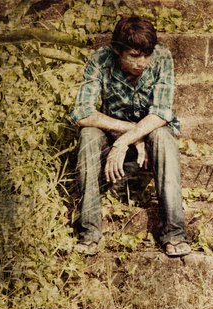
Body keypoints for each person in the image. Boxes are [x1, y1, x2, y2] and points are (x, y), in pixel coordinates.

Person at [69, 15, 190, 258]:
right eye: (134, 56)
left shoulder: (162, 57)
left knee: (163, 138)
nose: (142, 63)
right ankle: (89, 232)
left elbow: (161, 114)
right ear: (117, 50)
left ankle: (174, 233)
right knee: (88, 134)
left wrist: (125, 141)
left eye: (146, 55)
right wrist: (131, 134)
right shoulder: (101, 59)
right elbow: (82, 113)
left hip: (152, 133)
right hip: (112, 132)